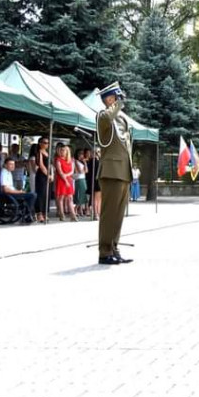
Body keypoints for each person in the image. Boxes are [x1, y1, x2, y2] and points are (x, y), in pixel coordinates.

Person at [96, 82, 133, 264]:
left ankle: (114, 248)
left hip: (124, 171)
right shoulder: (103, 116)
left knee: (118, 214)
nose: (120, 100)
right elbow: (107, 118)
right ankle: (104, 252)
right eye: (116, 97)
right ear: (109, 99)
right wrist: (116, 106)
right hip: (111, 172)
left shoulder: (122, 118)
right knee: (109, 213)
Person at [0, 157, 36, 222]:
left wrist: (20, 191)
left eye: (13, 164)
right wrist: (18, 192)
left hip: (13, 193)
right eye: (10, 164)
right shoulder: (4, 173)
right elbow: (5, 189)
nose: (13, 166)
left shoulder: (9, 173)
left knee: (32, 194)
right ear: (5, 165)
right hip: (9, 194)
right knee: (32, 195)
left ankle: (28, 213)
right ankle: (27, 214)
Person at [54, 143, 76, 221]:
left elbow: (72, 171)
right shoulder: (58, 160)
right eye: (61, 150)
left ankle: (73, 215)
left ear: (67, 152)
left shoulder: (71, 160)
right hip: (61, 180)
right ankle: (61, 214)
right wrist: (66, 179)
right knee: (61, 197)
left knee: (70, 198)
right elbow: (60, 172)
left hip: (68, 180)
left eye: (64, 150)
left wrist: (66, 177)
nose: (62, 152)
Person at [33, 136, 50, 222]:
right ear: (40, 143)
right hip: (41, 175)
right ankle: (39, 213)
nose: (47, 144)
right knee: (41, 194)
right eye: (45, 143)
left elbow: (50, 164)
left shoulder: (47, 152)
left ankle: (44, 212)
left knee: (46, 194)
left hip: (48, 175)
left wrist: (52, 174)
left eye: (47, 143)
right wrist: (48, 175)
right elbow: (41, 165)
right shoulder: (39, 152)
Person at [74, 148, 88, 216]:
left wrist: (85, 162)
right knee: (80, 195)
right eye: (80, 154)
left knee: (84, 195)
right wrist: (84, 170)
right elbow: (80, 171)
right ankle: (75, 209)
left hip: (83, 178)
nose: (81, 155)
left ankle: (80, 210)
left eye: (82, 154)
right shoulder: (76, 161)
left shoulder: (82, 162)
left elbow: (86, 171)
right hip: (79, 179)